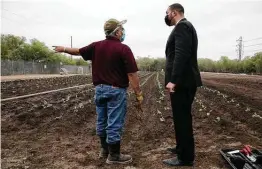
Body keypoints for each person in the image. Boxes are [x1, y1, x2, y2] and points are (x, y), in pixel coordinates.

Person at [53, 19, 143, 165]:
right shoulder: (123, 48)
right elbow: (132, 74)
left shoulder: (96, 46)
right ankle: (114, 156)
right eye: (122, 30)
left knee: (101, 120)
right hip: (115, 91)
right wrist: (138, 94)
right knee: (114, 122)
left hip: (99, 90)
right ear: (118, 32)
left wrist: (63, 48)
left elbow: (78, 51)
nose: (123, 32)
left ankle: (104, 150)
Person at [163, 3, 202, 166]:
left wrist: (174, 79)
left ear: (173, 12)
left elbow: (181, 54)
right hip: (184, 81)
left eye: (167, 13)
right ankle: (181, 148)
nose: (166, 16)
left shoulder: (182, 27)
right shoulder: (185, 27)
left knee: (182, 118)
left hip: (182, 82)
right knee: (181, 117)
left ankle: (185, 157)